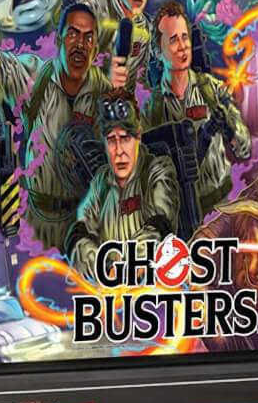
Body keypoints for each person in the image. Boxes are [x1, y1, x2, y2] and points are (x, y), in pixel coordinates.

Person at [0, 1, 107, 251]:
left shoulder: (105, 94)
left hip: (86, 226)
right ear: (59, 40)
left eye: (88, 38)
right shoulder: (36, 76)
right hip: (36, 221)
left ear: (95, 48)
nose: (80, 44)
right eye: (73, 34)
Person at [143, 0, 252, 219]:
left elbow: (244, 149)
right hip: (180, 215)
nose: (183, 46)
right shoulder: (153, 109)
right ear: (158, 51)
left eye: (185, 37)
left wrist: (228, 128)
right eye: (173, 39)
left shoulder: (210, 90)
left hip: (220, 208)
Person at [66, 89, 180, 280]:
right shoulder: (101, 182)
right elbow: (79, 236)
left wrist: (125, 268)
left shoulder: (157, 171)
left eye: (125, 139)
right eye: (112, 140)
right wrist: (104, 269)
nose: (119, 151)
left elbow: (159, 228)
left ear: (138, 137)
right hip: (107, 289)